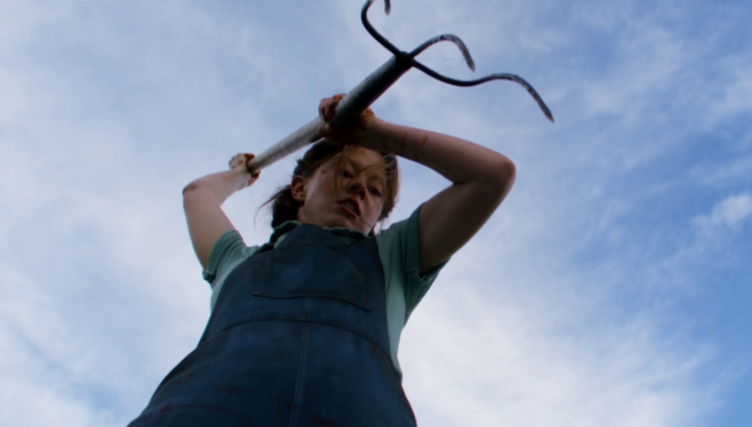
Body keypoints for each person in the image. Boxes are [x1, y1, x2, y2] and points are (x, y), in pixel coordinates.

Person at [129, 94, 516, 426]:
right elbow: (198, 194)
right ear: (299, 187)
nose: (358, 188)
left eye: (374, 188)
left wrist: (376, 134)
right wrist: (241, 174)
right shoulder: (235, 261)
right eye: (346, 172)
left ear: (380, 216)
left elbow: (492, 175)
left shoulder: (394, 259)